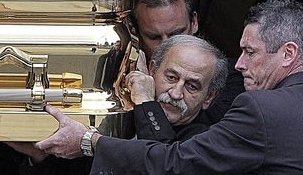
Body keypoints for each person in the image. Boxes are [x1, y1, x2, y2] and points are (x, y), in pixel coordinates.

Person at [36, 0, 303, 174]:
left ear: (288, 54)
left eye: (250, 52)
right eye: (171, 77)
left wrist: (89, 141)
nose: (240, 65)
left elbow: (176, 164)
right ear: (152, 69)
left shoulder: (260, 109)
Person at [14, 35, 228, 175]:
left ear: (208, 97)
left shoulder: (206, 143)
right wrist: (40, 157)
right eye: (171, 77)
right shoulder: (117, 115)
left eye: (192, 86)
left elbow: (161, 163)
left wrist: (145, 100)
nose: (176, 92)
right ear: (152, 70)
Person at [132, 0, 243, 124]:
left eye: (176, 34)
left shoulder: (229, 81)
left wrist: (146, 102)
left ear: (194, 22)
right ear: (136, 34)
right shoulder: (124, 77)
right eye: (154, 37)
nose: (167, 46)